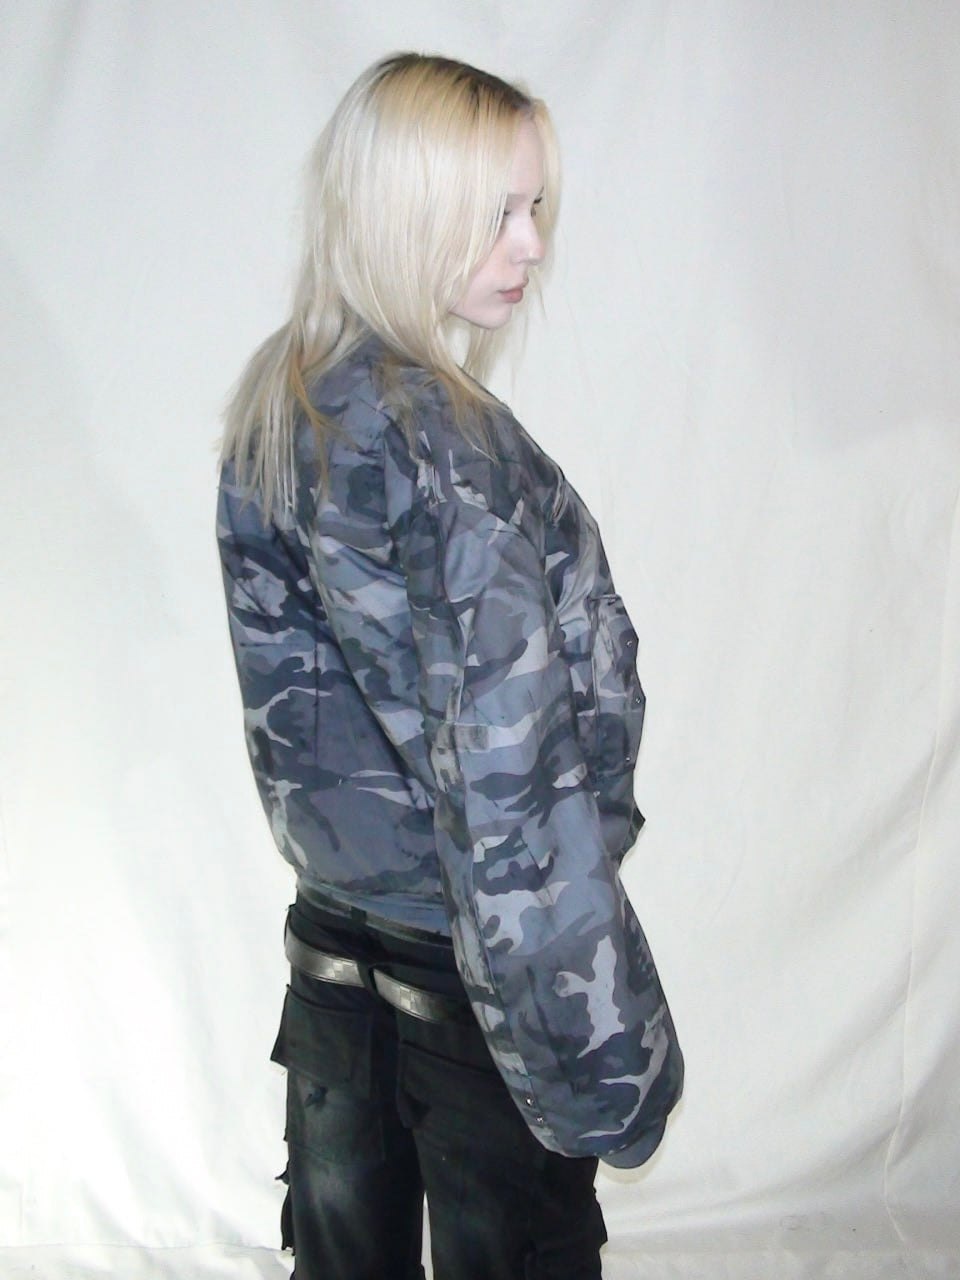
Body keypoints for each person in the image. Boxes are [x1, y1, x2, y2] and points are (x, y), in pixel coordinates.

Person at [217, 52, 682, 1280]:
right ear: (404, 213)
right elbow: (509, 768)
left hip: (336, 930)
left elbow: (296, 709)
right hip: (479, 948)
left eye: (536, 208)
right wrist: (589, 1026)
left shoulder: (289, 400)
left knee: (344, 1250)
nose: (531, 245)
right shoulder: (447, 445)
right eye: (497, 212)